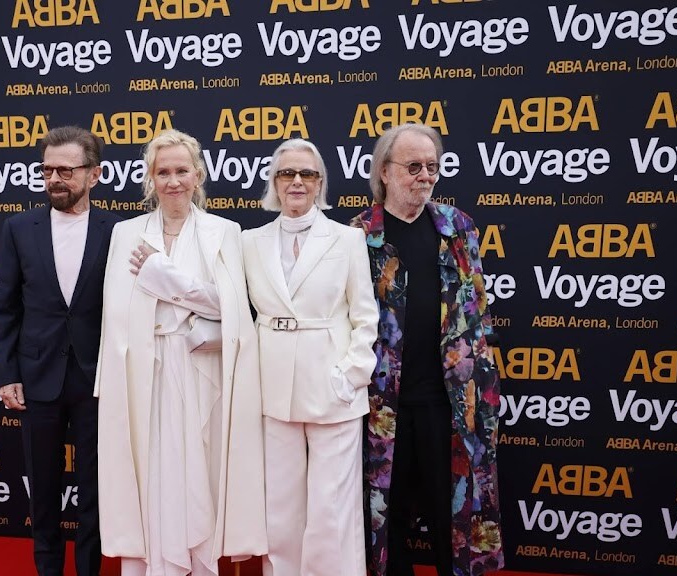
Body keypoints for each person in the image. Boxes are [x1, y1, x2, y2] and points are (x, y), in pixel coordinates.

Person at [95, 128, 267, 576]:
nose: (173, 181)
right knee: (150, 472)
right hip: (144, 373)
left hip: (200, 369)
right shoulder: (125, 233)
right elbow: (117, 311)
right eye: (163, 172)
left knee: (198, 472)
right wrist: (183, 291)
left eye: (182, 171)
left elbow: (231, 305)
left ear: (198, 175)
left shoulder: (224, 231)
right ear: (150, 178)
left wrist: (163, 276)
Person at [352, 124, 504, 576]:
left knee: (454, 515)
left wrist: (485, 379)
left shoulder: (458, 227)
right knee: (387, 515)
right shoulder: (358, 236)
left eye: (433, 166)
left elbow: (477, 306)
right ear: (384, 172)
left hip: (453, 401)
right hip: (382, 404)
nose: (425, 176)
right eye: (414, 166)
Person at [241, 139, 378, 576]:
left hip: (333, 385)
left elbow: (365, 316)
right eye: (287, 173)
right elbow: (229, 304)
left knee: (330, 506)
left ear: (320, 183)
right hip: (271, 386)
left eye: (307, 174)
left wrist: (350, 376)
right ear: (274, 182)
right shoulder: (249, 242)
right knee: (280, 506)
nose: (296, 181)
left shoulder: (347, 238)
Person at [0, 126, 120, 576]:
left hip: (96, 379)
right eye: (47, 170)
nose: (54, 179)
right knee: (42, 489)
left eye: (66, 170)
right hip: (36, 378)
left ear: (94, 174)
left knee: (94, 490)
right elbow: (4, 308)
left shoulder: (117, 231)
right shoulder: (17, 228)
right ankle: (48, 569)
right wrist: (7, 374)